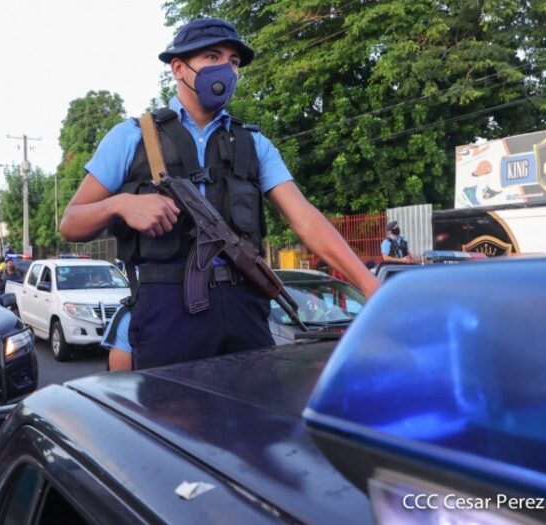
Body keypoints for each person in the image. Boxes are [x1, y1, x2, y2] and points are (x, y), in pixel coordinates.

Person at [59, 18, 378, 370]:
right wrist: (121, 204)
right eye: (213, 57)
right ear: (178, 68)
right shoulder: (132, 137)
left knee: (255, 417)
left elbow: (304, 218)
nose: (226, 69)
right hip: (167, 310)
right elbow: (71, 224)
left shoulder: (254, 143)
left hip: (245, 305)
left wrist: (367, 283)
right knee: (169, 420)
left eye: (234, 62)